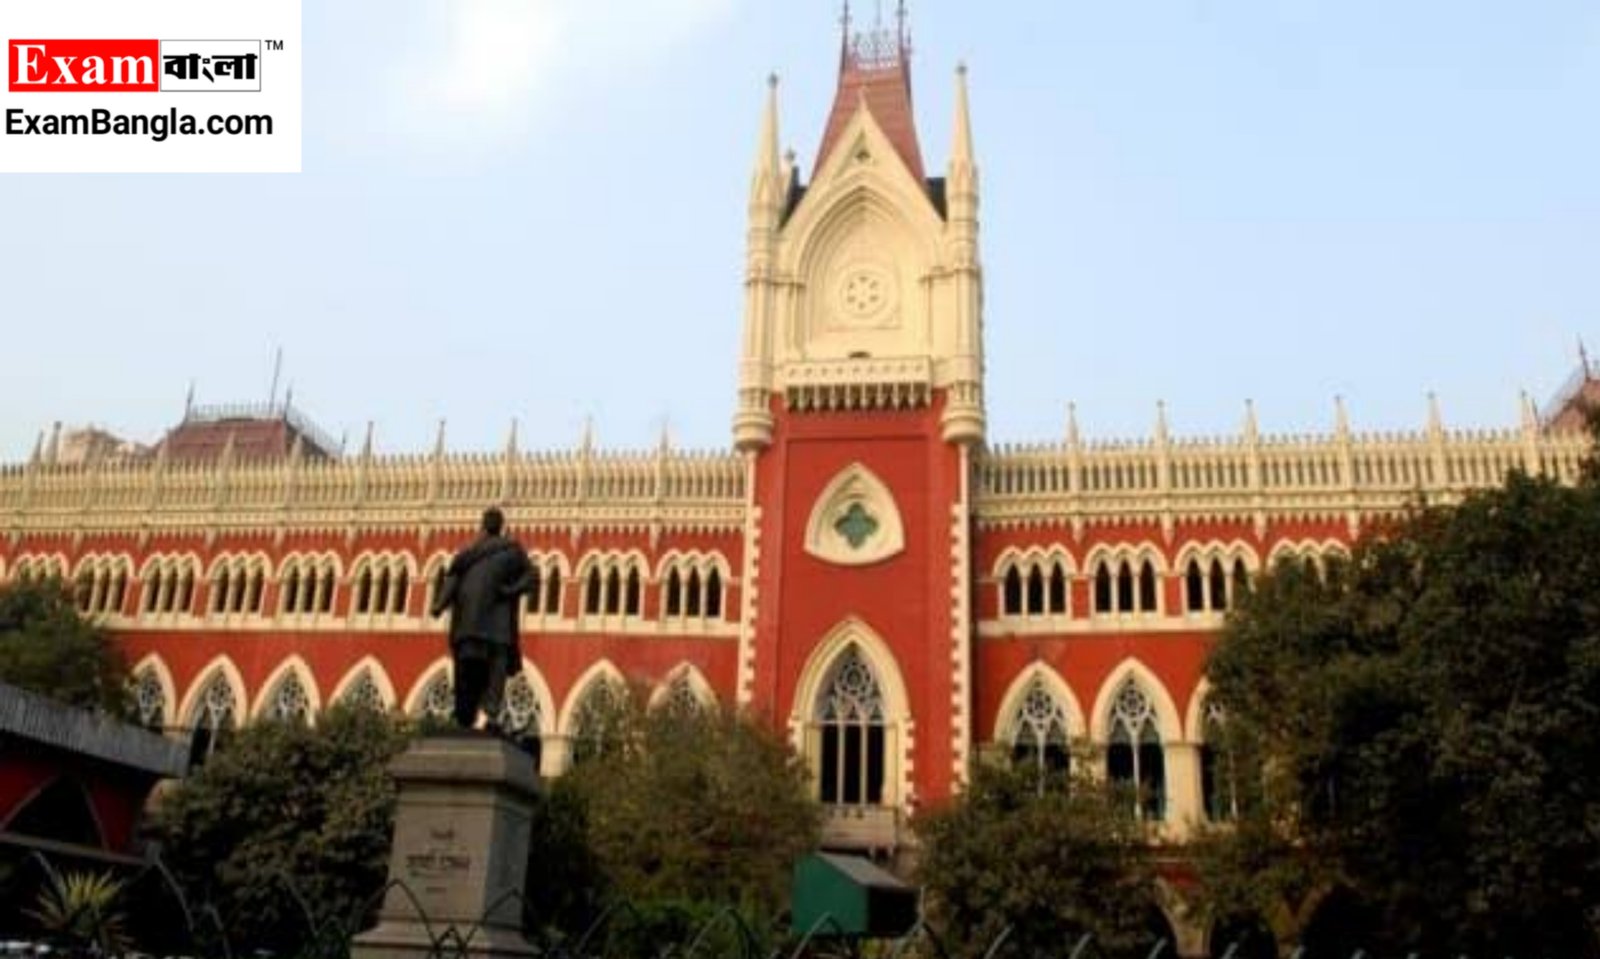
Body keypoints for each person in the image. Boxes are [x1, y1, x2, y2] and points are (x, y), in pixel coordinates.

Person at [430, 507, 534, 731]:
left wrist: (439, 604)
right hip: (496, 627)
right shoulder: (512, 551)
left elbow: (452, 580)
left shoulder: (467, 555)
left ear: (483, 527)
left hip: (469, 625)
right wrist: (510, 590)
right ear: (500, 527)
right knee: (494, 671)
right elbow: (531, 578)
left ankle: (465, 716)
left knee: (467, 671)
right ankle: (488, 715)